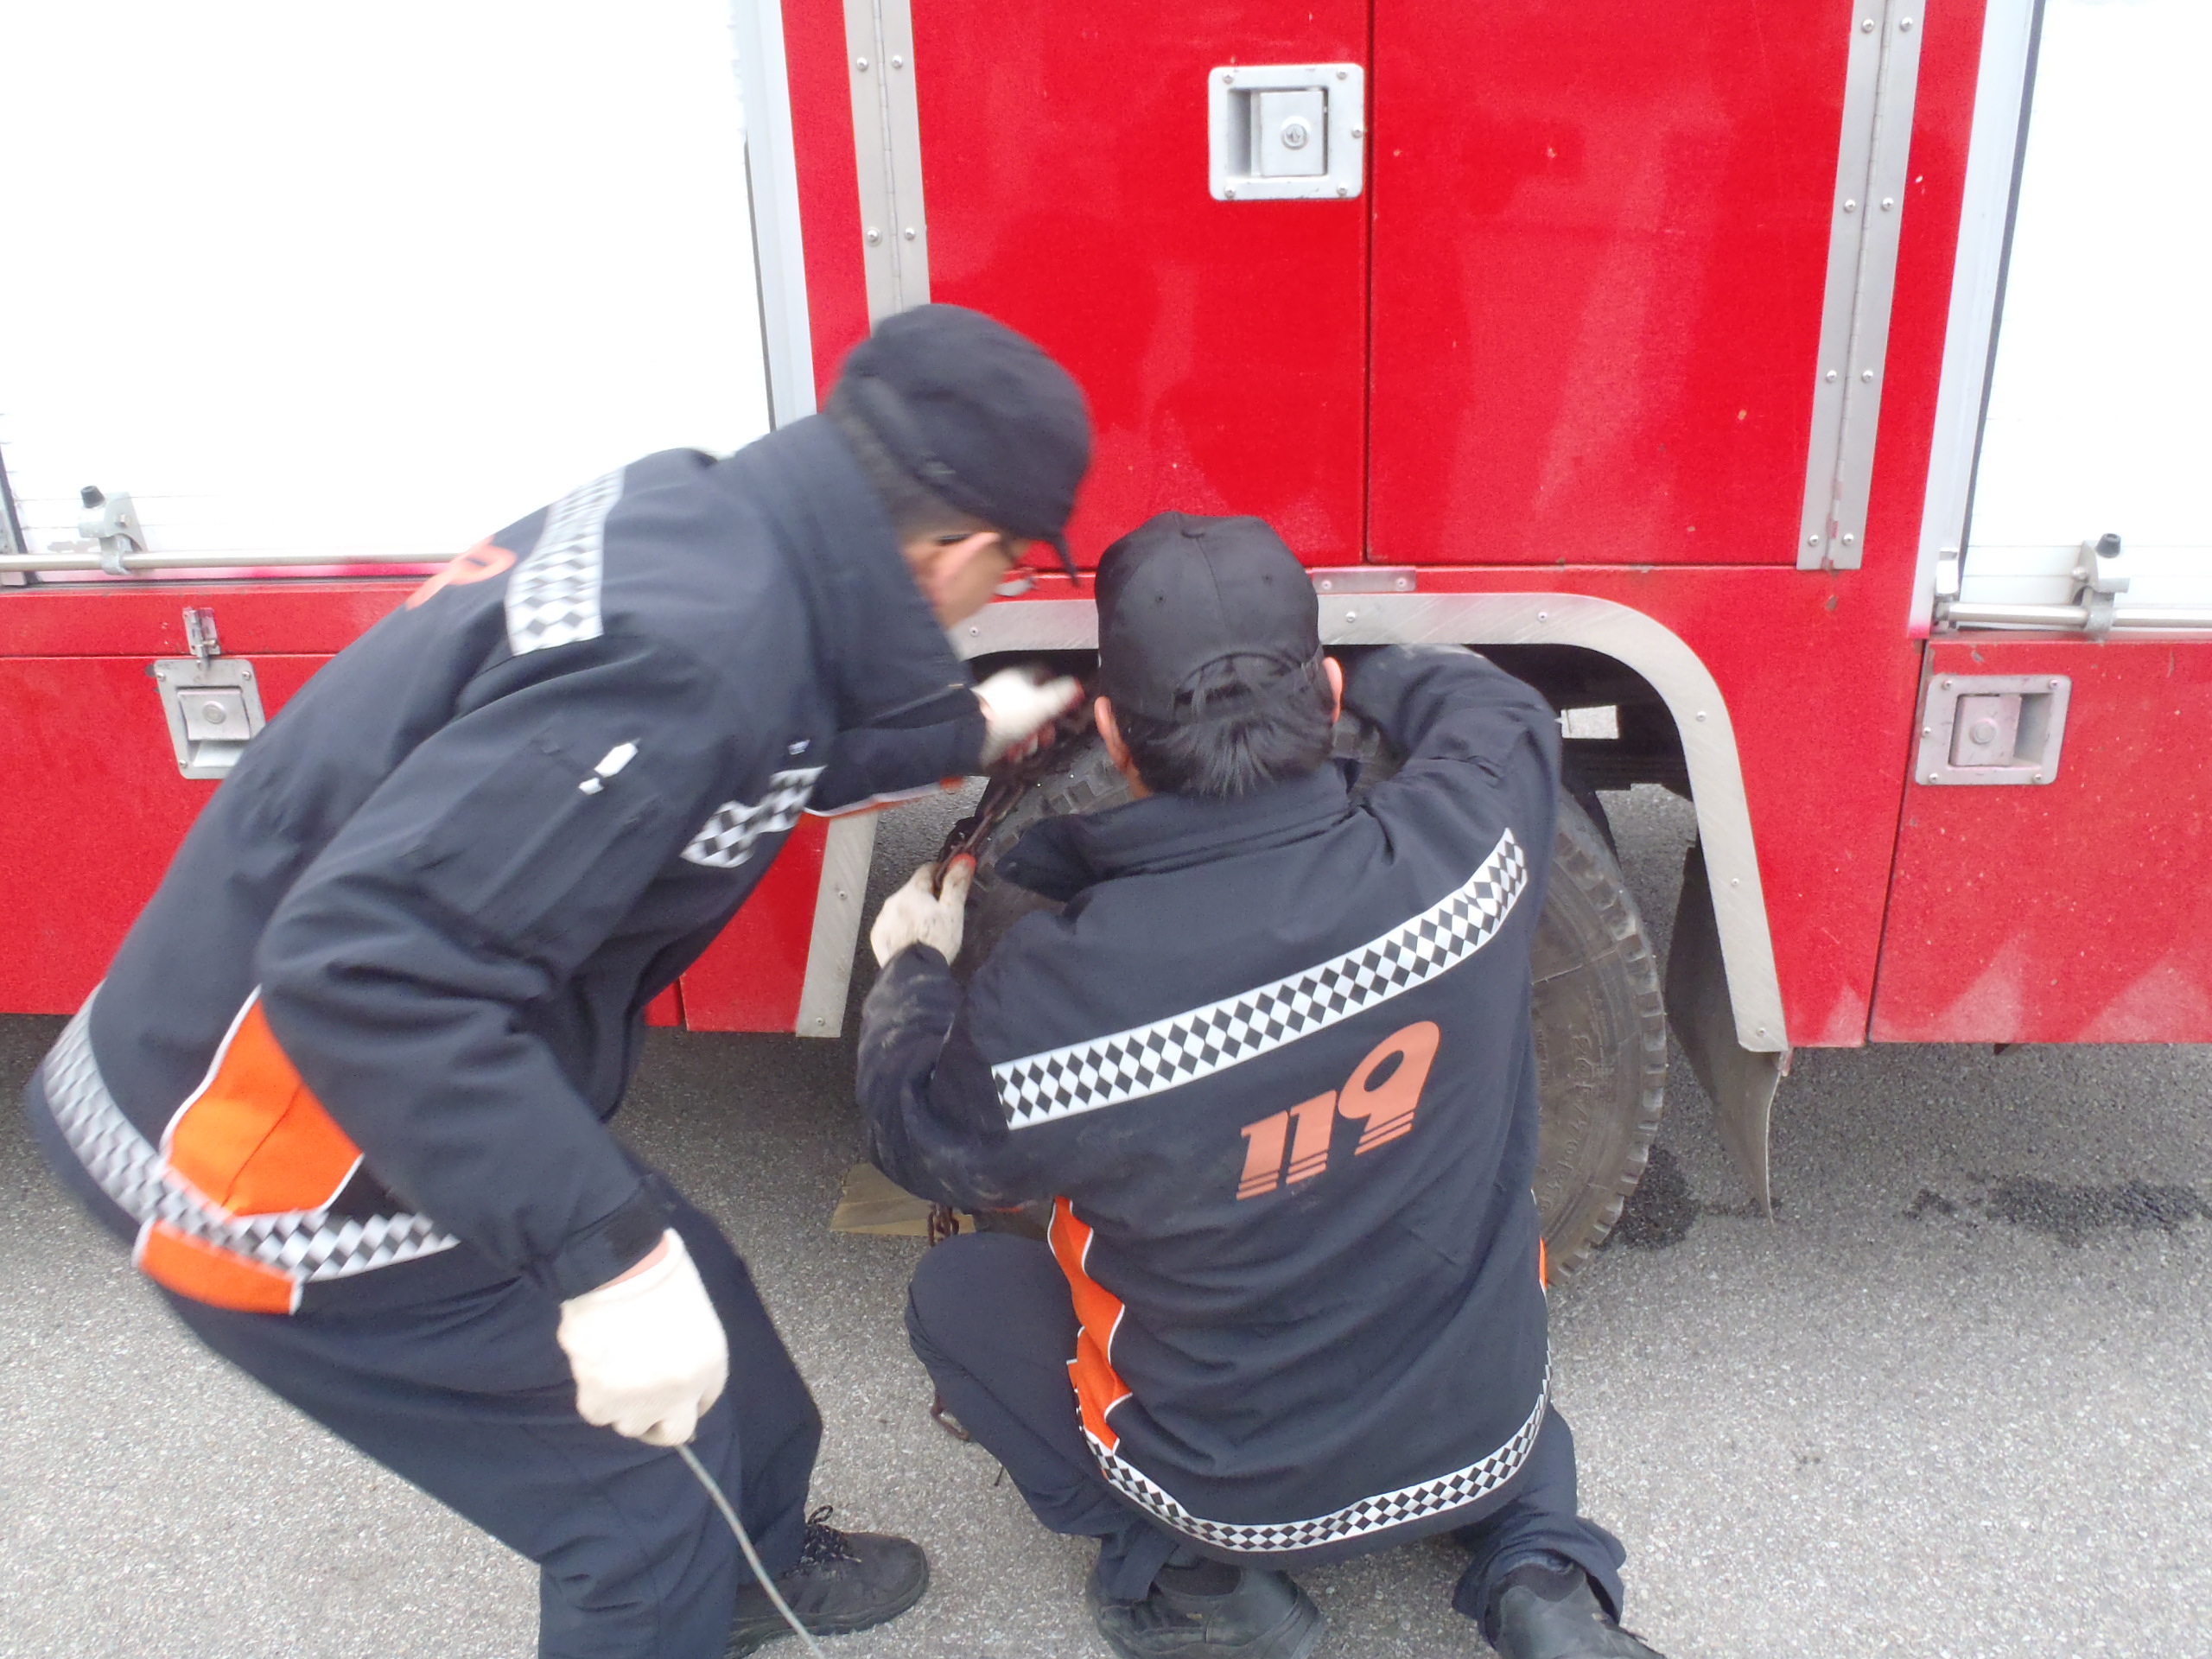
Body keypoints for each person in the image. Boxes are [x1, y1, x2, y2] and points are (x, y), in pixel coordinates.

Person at [23, 303, 1090, 1659]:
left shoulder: (705, 519)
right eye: (1010, 567)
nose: (999, 589)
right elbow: (366, 975)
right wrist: (608, 1276)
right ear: (956, 548)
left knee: (710, 1310)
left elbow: (735, 739)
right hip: (273, 1152)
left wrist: (951, 731)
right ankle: (690, 1571)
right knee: (635, 1519)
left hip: (346, 1058)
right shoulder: (695, 657)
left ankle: (749, 1573)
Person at [856, 512, 1668, 1659]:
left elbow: (919, 1135)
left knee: (959, 1297)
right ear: (1326, 694)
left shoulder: (1057, 1001)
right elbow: (1499, 711)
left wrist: (914, 973)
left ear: (1112, 736)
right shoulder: (1464, 855)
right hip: (1476, 1440)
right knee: (1477, 1311)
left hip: (1227, 1494)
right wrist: (1367, 666)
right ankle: (1544, 1579)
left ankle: (1203, 1587)